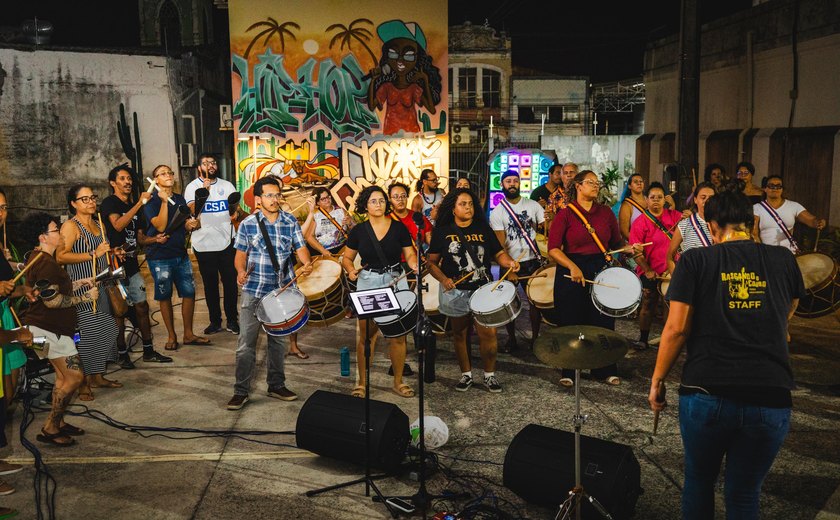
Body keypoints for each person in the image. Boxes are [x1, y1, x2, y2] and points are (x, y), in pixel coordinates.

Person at [648, 183, 804, 519]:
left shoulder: (695, 261)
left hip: (708, 391)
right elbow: (790, 304)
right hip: (771, 394)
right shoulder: (783, 260)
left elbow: (676, 329)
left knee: (699, 482)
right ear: (751, 223)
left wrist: (657, 379)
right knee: (745, 493)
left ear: (712, 226)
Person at [547, 171, 641, 387]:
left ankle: (604, 369)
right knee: (571, 321)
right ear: (578, 186)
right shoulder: (566, 213)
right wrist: (572, 266)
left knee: (603, 321)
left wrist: (629, 249)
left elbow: (615, 244)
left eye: (597, 183)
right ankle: (569, 370)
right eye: (590, 182)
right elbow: (553, 249)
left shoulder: (606, 213)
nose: (595, 185)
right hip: (571, 271)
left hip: (600, 269)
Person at [227, 177, 313, 410]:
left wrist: (306, 262)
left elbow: (300, 247)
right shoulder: (248, 224)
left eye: (277, 195)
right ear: (258, 199)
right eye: (269, 195)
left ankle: (276, 385)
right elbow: (240, 254)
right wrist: (241, 271)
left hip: (281, 290)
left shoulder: (289, 221)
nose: (274, 200)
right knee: (246, 343)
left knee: (278, 342)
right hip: (254, 290)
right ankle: (240, 391)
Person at [428, 188, 519, 393]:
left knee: (489, 334)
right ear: (453, 208)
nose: (468, 207)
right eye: (462, 204)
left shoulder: (483, 228)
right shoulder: (442, 231)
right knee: (460, 334)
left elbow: (498, 254)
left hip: (483, 290)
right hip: (455, 291)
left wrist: (510, 262)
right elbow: (431, 263)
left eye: (470, 203)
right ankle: (466, 375)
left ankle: (489, 375)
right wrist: (444, 279)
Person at [20, 212, 93, 448]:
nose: (60, 233)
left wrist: (74, 285)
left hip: (43, 329)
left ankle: (57, 421)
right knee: (74, 377)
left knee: (63, 377)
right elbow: (52, 301)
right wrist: (83, 297)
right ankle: (50, 426)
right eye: (55, 229)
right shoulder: (47, 263)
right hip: (48, 331)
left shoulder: (37, 258)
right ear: (43, 236)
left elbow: (47, 291)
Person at [342, 186, 418, 399]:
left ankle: (398, 382)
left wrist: (414, 265)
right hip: (369, 282)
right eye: (373, 201)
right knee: (367, 335)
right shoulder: (358, 231)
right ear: (365, 205)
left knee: (398, 334)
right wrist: (350, 270)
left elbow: (410, 254)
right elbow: (347, 258)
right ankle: (362, 383)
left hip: (395, 280)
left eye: (382, 200)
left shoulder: (399, 228)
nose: (379, 204)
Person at [101, 164, 172, 366]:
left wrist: (155, 240)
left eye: (129, 178)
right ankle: (122, 354)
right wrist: (139, 204)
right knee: (120, 311)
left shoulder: (135, 206)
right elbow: (118, 225)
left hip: (131, 264)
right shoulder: (110, 203)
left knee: (142, 305)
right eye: (122, 179)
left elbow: (139, 238)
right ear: (113, 183)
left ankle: (148, 350)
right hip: (114, 265)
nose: (128, 182)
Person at [57, 185, 121, 401]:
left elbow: (103, 252)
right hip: (82, 286)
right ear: (73, 204)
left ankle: (97, 375)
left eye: (92, 197)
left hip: (101, 283)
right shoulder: (70, 226)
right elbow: (60, 256)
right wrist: (93, 253)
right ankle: (84, 382)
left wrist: (111, 254)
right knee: (87, 334)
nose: (91, 202)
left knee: (107, 329)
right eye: (84, 199)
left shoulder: (98, 222)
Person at [143, 165, 209, 351]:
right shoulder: (151, 201)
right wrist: (164, 202)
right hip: (159, 256)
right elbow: (161, 226)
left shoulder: (179, 198)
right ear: (155, 180)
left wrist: (193, 224)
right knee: (164, 297)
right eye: (163, 174)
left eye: (170, 172)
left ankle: (188, 334)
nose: (168, 175)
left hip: (181, 254)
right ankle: (172, 335)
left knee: (189, 293)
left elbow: (185, 224)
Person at [185, 153, 240, 336]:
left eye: (213, 162)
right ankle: (215, 321)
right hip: (203, 244)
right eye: (206, 163)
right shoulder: (192, 187)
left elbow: (234, 208)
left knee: (230, 284)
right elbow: (193, 210)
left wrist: (236, 214)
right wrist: (203, 192)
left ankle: (232, 320)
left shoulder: (227, 185)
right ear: (199, 167)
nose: (210, 165)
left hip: (226, 243)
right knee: (210, 286)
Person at [489, 170, 545, 352]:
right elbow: (499, 243)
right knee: (509, 302)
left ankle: (536, 338)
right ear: (502, 185)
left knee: (536, 302)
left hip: (533, 260)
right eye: (508, 181)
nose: (512, 184)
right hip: (511, 263)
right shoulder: (498, 211)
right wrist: (509, 268)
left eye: (515, 181)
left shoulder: (533, 205)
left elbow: (545, 231)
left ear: (520, 183)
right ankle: (512, 339)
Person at [629, 182, 682, 350]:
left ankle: (668, 339)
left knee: (670, 304)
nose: (656, 201)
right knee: (648, 302)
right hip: (650, 270)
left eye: (660, 197)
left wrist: (689, 216)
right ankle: (643, 338)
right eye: (652, 198)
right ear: (646, 199)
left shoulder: (675, 216)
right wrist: (647, 270)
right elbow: (636, 252)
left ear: (665, 199)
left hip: (673, 269)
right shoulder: (639, 222)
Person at [367, 19, 442, 135]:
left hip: (412, 138)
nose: (400, 60)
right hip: (389, 138)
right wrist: (373, 80)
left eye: (408, 56)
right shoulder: (386, 87)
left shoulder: (414, 89)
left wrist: (425, 80)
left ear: (418, 60)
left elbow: (432, 109)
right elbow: (372, 106)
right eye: (393, 53)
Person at [0, 190, 27, 407]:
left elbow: (8, 285)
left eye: (3, 207)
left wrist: (25, 290)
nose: (1, 213)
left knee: (10, 390)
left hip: (5, 313)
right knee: (5, 392)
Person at [753, 175, 827, 253]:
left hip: (789, 253)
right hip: (766, 252)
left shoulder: (794, 206)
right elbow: (754, 233)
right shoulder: (757, 208)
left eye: (778, 186)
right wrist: (761, 252)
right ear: (765, 189)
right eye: (771, 186)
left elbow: (811, 220)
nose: (775, 188)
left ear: (782, 189)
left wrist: (819, 223)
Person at [667, 183, 716, 275]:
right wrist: (677, 282)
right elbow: (670, 256)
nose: (707, 201)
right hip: (691, 279)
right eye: (703, 197)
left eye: (711, 198)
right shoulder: (685, 224)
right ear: (695, 199)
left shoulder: (723, 225)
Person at [305, 186, 354, 258]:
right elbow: (309, 237)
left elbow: (355, 229)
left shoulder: (340, 211)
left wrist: (350, 223)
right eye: (323, 199)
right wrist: (323, 251)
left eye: (328, 197)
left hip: (342, 248)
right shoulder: (315, 215)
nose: (327, 200)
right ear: (317, 202)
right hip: (322, 251)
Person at [618, 173, 646, 241]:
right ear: (630, 186)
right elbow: (624, 232)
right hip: (636, 245)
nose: (639, 183)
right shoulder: (626, 205)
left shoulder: (650, 200)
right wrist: (638, 244)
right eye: (635, 182)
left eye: (641, 181)